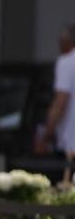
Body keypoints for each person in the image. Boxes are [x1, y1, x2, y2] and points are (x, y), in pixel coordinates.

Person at [34, 23, 75, 157]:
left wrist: (45, 137)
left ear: (67, 41)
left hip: (71, 145)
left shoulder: (67, 62)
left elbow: (60, 104)